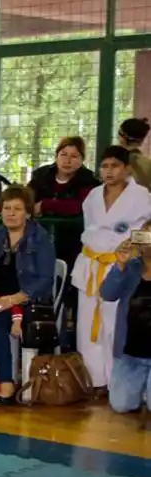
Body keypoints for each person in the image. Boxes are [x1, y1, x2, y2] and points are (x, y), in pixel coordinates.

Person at [73, 145, 151, 389]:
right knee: (86, 325)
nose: (108, 171)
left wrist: (133, 250)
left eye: (114, 165)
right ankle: (92, 381)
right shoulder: (93, 196)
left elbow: (148, 231)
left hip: (121, 267)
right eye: (104, 166)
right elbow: (89, 230)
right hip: (91, 264)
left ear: (127, 168)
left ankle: (114, 381)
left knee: (113, 325)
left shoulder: (141, 196)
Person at [0, 185, 55, 402]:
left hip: (29, 301)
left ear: (28, 212)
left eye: (17, 209)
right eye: (6, 208)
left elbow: (45, 281)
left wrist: (12, 300)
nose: (10, 213)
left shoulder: (40, 238)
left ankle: (6, 385)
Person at [101, 219, 151, 412]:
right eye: (145, 236)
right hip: (130, 353)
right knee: (121, 406)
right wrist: (119, 265)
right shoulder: (131, 268)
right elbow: (107, 294)